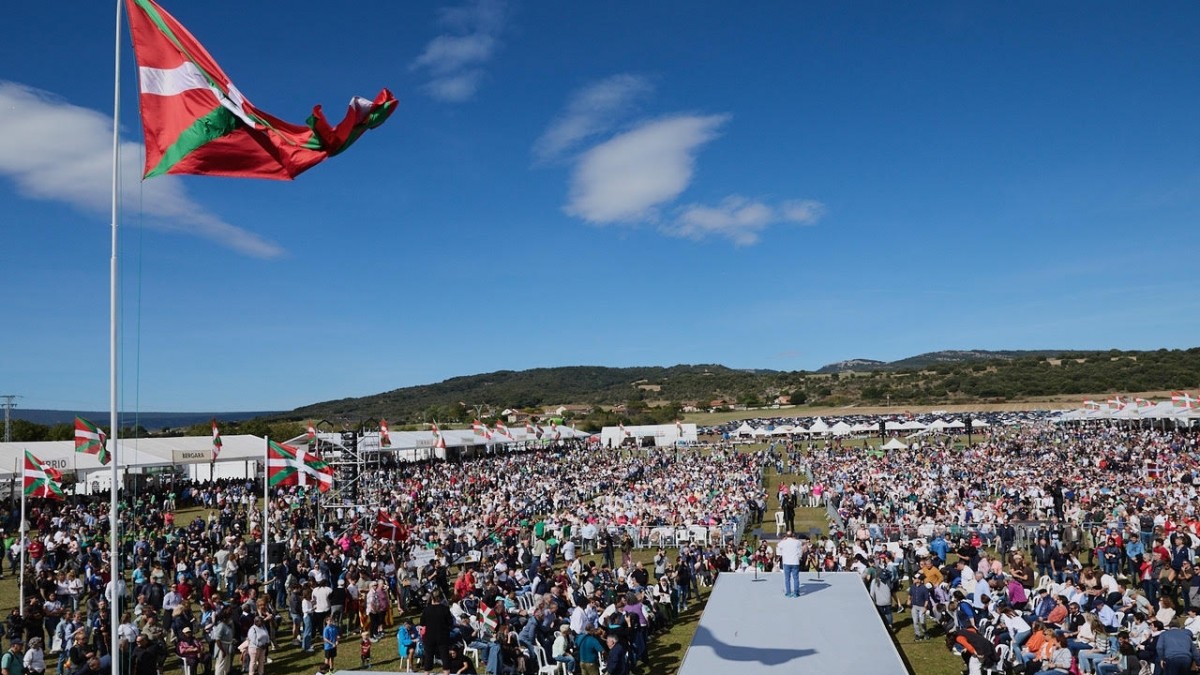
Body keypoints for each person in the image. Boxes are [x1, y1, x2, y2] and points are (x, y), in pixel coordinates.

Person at [420, 589, 453, 675]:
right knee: (444, 656)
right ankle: (446, 673)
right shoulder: (445, 609)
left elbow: (422, 623)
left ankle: (427, 673)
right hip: (442, 636)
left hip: (430, 636)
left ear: (431, 598)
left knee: (428, 657)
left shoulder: (426, 610)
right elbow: (450, 623)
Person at [777, 531, 802, 598]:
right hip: (795, 562)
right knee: (796, 578)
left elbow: (778, 545)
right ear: (793, 535)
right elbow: (800, 549)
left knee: (787, 578)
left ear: (786, 535)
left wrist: (783, 540)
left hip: (787, 562)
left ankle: (788, 593)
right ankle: (796, 593)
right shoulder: (797, 542)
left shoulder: (783, 542)